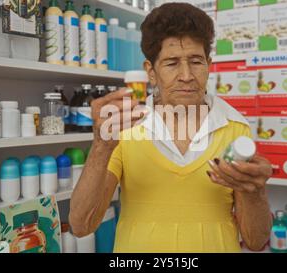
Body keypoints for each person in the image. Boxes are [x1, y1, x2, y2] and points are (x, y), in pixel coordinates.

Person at [69, 2, 273, 253]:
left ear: (208, 64)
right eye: (172, 63)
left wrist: (255, 191)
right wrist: (101, 146)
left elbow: (255, 241)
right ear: (151, 72)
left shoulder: (234, 127)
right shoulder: (126, 128)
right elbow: (81, 225)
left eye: (196, 61)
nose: (186, 75)